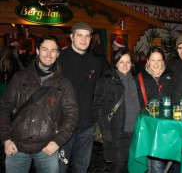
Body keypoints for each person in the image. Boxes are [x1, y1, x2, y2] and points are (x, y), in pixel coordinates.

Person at [0, 36, 78, 173]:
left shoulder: (64, 84)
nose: (49, 54)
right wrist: (5, 138)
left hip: (47, 148)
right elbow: (3, 108)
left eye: (53, 51)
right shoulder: (20, 78)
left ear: (58, 54)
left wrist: (58, 141)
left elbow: (72, 115)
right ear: (37, 51)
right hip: (16, 146)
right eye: (45, 49)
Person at [58, 22, 106, 173]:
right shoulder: (59, 59)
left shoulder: (94, 61)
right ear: (71, 37)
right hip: (63, 127)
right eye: (80, 35)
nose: (84, 40)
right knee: (60, 168)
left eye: (87, 36)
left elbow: (99, 90)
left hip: (86, 126)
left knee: (82, 168)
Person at [93, 48, 140, 173]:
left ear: (132, 64)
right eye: (121, 62)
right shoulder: (106, 80)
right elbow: (97, 107)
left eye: (128, 62)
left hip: (132, 131)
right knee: (118, 165)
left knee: (127, 166)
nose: (125, 65)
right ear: (115, 63)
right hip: (115, 131)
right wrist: (105, 130)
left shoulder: (134, 81)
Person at [135, 46, 175, 173]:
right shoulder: (139, 78)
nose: (156, 64)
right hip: (148, 125)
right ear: (147, 61)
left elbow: (175, 98)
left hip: (165, 126)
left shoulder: (171, 76)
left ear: (163, 61)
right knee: (150, 162)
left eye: (159, 60)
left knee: (157, 162)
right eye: (153, 60)